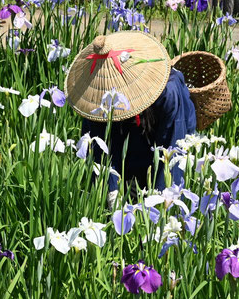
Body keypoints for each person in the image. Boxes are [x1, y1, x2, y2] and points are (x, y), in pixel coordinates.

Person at [65, 32, 196, 199]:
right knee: (107, 189)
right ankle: (127, 187)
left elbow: (171, 148)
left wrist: (162, 203)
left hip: (163, 132)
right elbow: (100, 147)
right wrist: (111, 192)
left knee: (164, 174)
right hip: (126, 136)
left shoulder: (168, 93)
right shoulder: (96, 94)